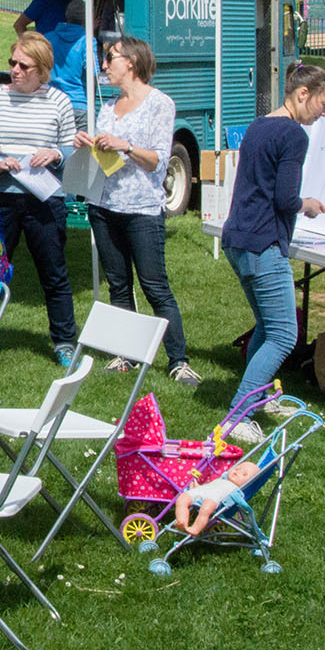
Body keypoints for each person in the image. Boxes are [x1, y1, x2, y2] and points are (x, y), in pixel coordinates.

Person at [219, 63, 325, 440]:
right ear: (303, 94)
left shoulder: (258, 125)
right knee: (285, 334)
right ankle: (237, 416)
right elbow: (285, 198)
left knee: (268, 327)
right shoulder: (293, 135)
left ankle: (258, 397)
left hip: (238, 238)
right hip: (262, 243)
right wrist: (309, 204)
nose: (324, 112)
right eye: (323, 102)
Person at [74, 36, 195, 387]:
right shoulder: (108, 105)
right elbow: (102, 155)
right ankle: (125, 354)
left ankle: (179, 359)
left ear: (131, 62)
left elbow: (158, 158)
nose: (104, 66)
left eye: (110, 58)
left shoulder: (160, 104)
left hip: (142, 208)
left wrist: (124, 145)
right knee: (118, 284)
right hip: (104, 204)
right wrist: (88, 144)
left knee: (155, 285)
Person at [0, 31, 78, 362]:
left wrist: (56, 154)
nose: (15, 70)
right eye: (12, 62)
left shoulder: (59, 101)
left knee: (54, 273)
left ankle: (64, 342)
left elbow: (73, 149)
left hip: (44, 201)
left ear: (43, 71)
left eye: (24, 65)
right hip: (1, 200)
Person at [44, 0, 97, 116]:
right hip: (78, 103)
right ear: (87, 18)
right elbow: (93, 73)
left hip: (51, 102)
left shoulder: (48, 38)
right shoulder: (87, 40)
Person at [13, 0, 80, 35]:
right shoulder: (43, 2)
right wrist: (30, 47)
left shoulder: (77, 4)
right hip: (48, 49)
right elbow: (19, 25)